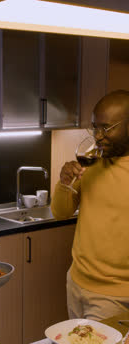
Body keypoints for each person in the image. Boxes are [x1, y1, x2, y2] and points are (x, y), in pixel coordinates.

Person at [51, 89, 129, 321]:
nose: (98, 136)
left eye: (106, 128)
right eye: (94, 127)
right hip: (75, 282)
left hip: (114, 296)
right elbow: (61, 213)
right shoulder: (92, 161)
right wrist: (65, 182)